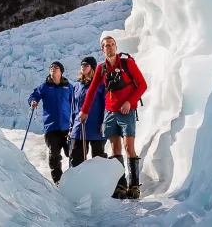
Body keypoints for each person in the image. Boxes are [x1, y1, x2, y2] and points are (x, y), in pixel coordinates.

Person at [79, 36, 147, 199]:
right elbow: (91, 91)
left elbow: (142, 85)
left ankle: (134, 186)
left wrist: (129, 103)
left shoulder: (127, 64)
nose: (109, 48)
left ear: (116, 47)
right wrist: (84, 111)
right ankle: (121, 185)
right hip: (110, 113)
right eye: (105, 46)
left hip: (126, 112)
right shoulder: (102, 69)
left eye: (111, 45)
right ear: (102, 50)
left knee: (128, 147)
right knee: (115, 149)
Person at [28, 61, 72, 185]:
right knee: (54, 154)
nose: (53, 68)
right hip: (51, 127)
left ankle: (75, 178)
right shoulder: (45, 86)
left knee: (72, 153)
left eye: (56, 67)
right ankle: (58, 180)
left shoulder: (68, 86)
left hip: (67, 126)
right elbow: (34, 95)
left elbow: (76, 101)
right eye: (51, 67)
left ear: (61, 71)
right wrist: (33, 101)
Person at [69, 56, 107, 168]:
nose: (83, 67)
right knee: (76, 157)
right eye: (82, 65)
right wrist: (71, 125)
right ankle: (77, 183)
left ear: (93, 68)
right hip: (78, 126)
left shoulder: (100, 85)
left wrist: (103, 122)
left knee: (98, 157)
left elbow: (105, 104)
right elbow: (73, 107)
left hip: (96, 126)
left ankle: (100, 182)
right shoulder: (77, 86)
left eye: (86, 65)